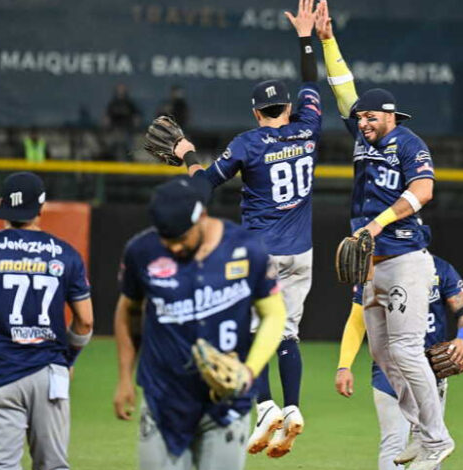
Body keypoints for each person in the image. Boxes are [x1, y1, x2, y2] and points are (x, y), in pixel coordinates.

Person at [170, 0, 321, 458]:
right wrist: (304, 39)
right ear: (288, 108)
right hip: (302, 254)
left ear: (258, 113)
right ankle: (291, 409)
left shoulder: (248, 144)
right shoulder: (309, 128)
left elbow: (204, 187)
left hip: (262, 254)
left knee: (243, 332)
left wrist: (186, 154)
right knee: (287, 334)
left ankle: (267, 407)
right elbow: (312, 82)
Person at [315, 2, 454, 468]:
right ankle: (420, 425)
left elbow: (425, 190)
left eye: (370, 117)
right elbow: (343, 89)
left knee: (407, 350)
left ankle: (437, 437)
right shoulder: (361, 136)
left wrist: (377, 223)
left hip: (406, 258)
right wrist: (327, 41)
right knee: (383, 354)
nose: (362, 122)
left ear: (390, 116)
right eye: (360, 118)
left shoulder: (409, 144)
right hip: (372, 263)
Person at [112, 174, 287, 470]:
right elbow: (127, 311)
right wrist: (125, 376)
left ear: (201, 216)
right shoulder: (142, 251)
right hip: (163, 397)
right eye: (167, 240)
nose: (175, 248)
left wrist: (248, 371)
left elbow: (274, 314)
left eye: (181, 239)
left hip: (226, 401)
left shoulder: (246, 249)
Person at [0, 171, 94, 469]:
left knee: (0, 466)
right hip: (51, 376)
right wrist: (69, 361)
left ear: (1, 204)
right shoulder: (67, 254)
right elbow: (85, 321)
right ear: (42, 207)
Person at [335, 255, 463, 470]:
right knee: (394, 444)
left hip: (430, 370)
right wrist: (344, 365)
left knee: (432, 445)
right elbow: (356, 321)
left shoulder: (440, 269)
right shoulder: (375, 271)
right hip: (389, 371)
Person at [104, 83, 141, 161]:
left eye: (123, 89)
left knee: (128, 149)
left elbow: (136, 117)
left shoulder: (129, 103)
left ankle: (129, 162)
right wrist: (107, 126)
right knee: (110, 147)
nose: (121, 91)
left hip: (127, 130)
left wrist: (135, 126)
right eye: (119, 89)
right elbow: (107, 117)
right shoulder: (113, 103)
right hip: (115, 130)